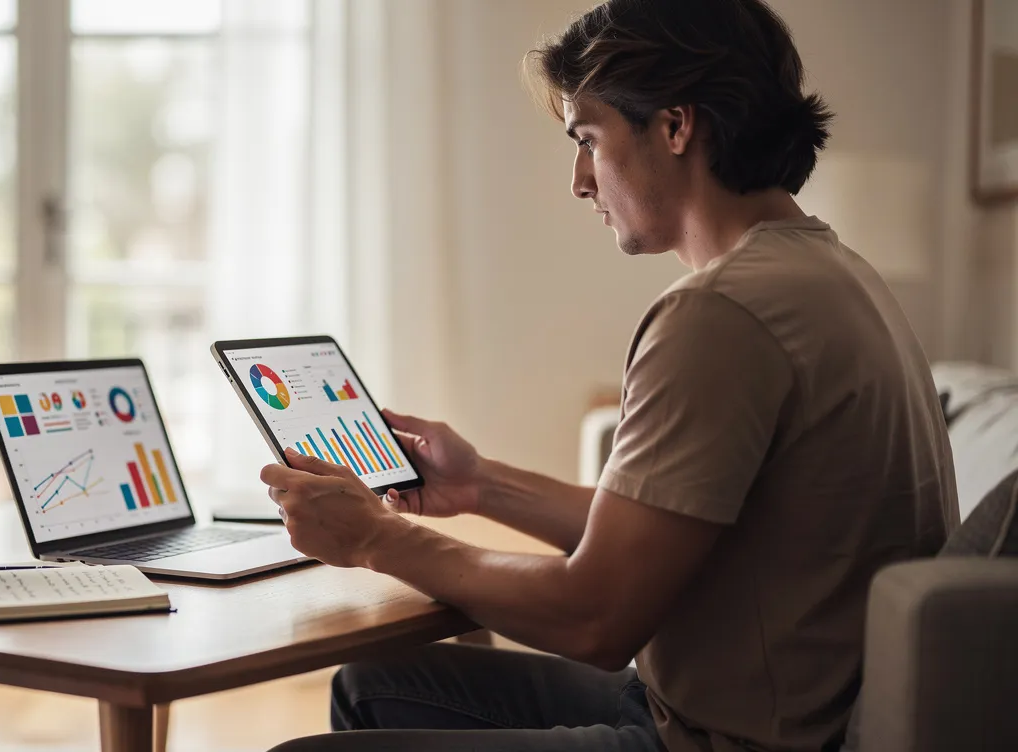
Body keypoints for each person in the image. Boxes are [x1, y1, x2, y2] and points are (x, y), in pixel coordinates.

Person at [262, 0, 959, 750]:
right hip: (724, 709)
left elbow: (593, 617)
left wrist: (375, 538)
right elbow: (667, 530)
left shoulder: (719, 313)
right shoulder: (831, 272)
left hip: (719, 740)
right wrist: (480, 485)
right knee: (374, 686)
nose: (579, 181)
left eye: (588, 139)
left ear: (675, 126)